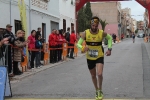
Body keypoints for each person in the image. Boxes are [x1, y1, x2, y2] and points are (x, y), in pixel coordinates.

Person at [77, 16, 112, 100]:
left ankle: (100, 90)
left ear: (98, 25)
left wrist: (109, 49)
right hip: (89, 57)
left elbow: (110, 38)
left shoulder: (101, 32)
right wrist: (82, 48)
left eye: (96, 26)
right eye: (93, 26)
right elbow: (78, 44)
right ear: (91, 25)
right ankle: (96, 90)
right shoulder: (85, 33)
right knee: (93, 75)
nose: (94, 27)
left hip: (99, 55)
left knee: (99, 74)